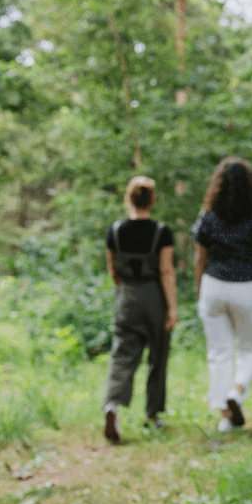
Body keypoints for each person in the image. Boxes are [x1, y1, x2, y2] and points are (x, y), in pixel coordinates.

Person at [192, 156, 252, 432]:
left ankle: (224, 416)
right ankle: (236, 391)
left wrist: (201, 291)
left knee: (219, 352)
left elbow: (199, 259)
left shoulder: (208, 218)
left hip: (213, 285)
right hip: (248, 287)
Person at [102, 175, 177, 444]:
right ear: (152, 200)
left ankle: (112, 404)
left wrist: (126, 292)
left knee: (122, 354)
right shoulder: (162, 232)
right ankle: (152, 415)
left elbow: (112, 270)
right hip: (154, 295)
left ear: (128, 199)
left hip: (127, 296)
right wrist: (172, 308)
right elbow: (166, 271)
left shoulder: (115, 231)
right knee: (158, 356)